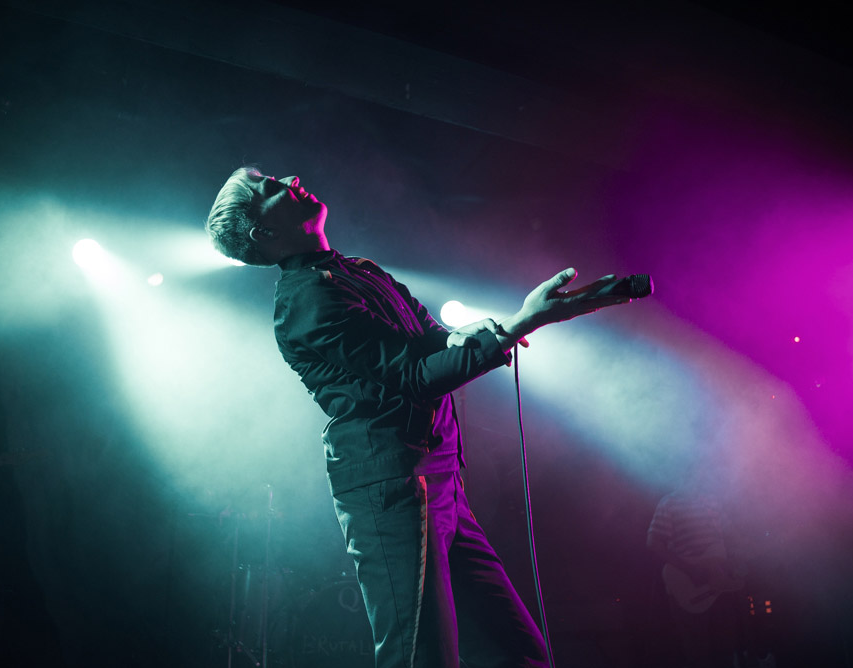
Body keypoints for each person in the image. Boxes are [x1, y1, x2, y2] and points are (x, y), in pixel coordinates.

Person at [205, 166, 632, 668]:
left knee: (516, 652)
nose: (290, 179)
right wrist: (523, 322)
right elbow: (414, 375)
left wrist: (478, 331)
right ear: (263, 232)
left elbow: (428, 338)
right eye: (269, 187)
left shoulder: (357, 269)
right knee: (421, 656)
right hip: (393, 488)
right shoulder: (307, 300)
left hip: (438, 479)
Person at [646, 471, 748, 668]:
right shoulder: (669, 503)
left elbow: (732, 536)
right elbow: (653, 542)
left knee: (726, 649)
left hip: (720, 587)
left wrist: (748, 552)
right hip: (689, 585)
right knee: (698, 652)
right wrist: (690, 570)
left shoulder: (712, 501)